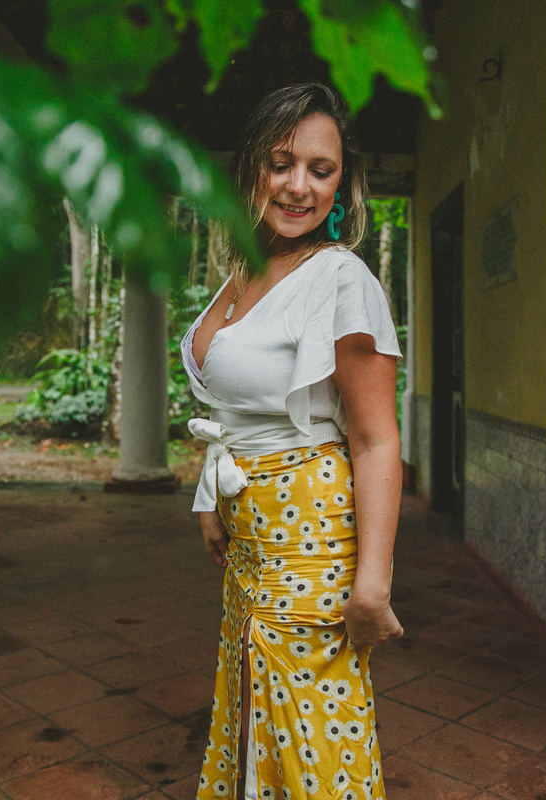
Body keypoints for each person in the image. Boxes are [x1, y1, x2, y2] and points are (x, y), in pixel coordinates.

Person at [180, 83, 403, 800]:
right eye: (281, 163)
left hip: (309, 544)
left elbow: (374, 440)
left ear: (343, 182)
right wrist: (210, 494)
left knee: (313, 740)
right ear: (251, 168)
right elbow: (236, 412)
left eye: (321, 169)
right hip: (251, 548)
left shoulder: (340, 278)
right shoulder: (241, 273)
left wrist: (373, 582)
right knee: (256, 718)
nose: (299, 185)